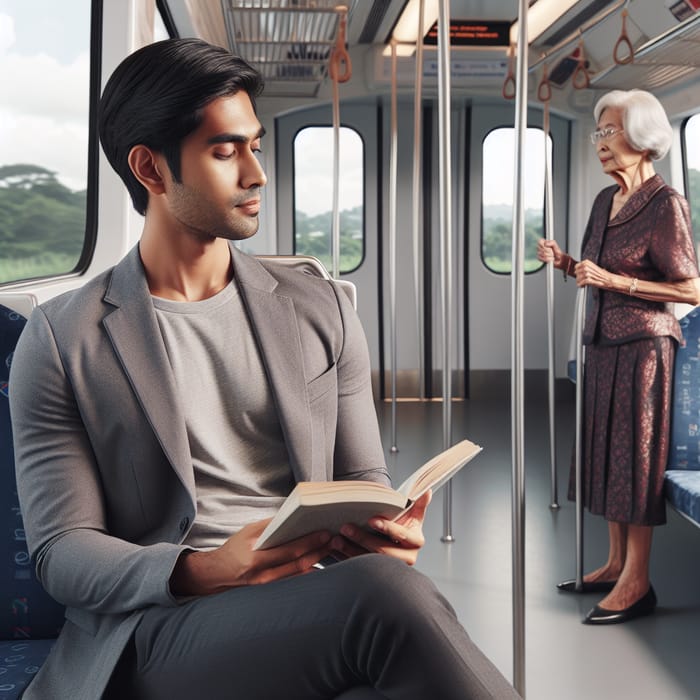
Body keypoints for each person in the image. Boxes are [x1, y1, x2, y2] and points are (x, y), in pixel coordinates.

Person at [9, 38, 520, 699]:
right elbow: (62, 551)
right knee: (387, 602)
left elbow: (362, 479)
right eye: (226, 151)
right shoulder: (63, 338)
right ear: (152, 170)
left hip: (309, 600)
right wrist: (199, 569)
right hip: (160, 626)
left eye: (255, 145)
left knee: (388, 602)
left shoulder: (321, 308)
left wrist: (386, 534)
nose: (257, 173)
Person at [538, 89, 700, 625]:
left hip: (646, 350)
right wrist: (564, 261)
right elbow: (592, 269)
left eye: (609, 132)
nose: (601, 144)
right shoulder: (604, 201)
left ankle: (638, 580)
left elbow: (691, 289)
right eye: (598, 134)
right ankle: (612, 564)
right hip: (603, 344)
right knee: (605, 456)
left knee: (635, 461)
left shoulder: (665, 203)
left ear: (642, 136)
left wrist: (618, 281)